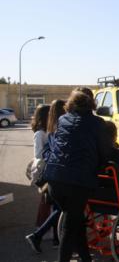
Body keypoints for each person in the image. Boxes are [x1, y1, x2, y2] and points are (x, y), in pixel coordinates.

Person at [43, 90, 111, 262]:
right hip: (78, 183)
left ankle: (86, 258)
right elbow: (105, 152)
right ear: (91, 106)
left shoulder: (62, 119)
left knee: (76, 221)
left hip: (54, 180)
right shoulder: (97, 123)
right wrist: (99, 168)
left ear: (71, 105)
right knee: (69, 226)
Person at [26, 104, 51, 253]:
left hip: (47, 169)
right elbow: (38, 155)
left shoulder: (46, 131)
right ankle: (40, 228)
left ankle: (44, 229)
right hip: (43, 171)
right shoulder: (40, 133)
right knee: (45, 200)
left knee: (47, 201)